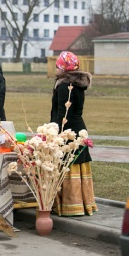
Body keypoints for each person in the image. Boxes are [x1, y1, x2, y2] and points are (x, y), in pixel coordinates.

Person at [50, 51, 98, 217]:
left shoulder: (66, 85)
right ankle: (83, 204)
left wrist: (55, 133)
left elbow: (63, 114)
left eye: (57, 65)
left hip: (69, 131)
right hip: (78, 129)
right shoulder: (76, 84)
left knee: (68, 165)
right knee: (77, 165)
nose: (55, 68)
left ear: (63, 67)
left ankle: (71, 205)